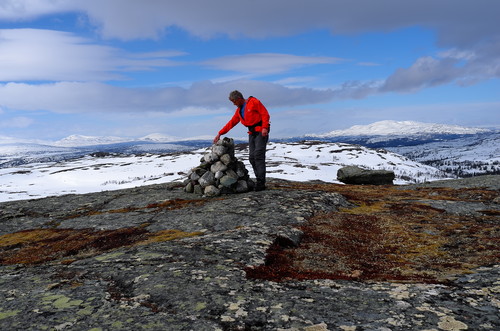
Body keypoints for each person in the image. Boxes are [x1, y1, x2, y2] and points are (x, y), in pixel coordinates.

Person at [214, 90, 270, 191]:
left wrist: (265, 127)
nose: (233, 104)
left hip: (261, 131)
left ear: (239, 99)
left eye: (234, 101)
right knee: (252, 157)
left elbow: (265, 114)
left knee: (258, 155)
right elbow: (231, 123)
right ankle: (259, 180)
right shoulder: (239, 110)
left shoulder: (254, 102)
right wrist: (220, 133)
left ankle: (261, 183)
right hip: (252, 133)